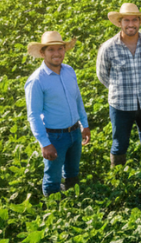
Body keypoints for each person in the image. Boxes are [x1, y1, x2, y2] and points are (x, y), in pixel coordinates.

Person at [24, 31, 91, 196]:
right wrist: (45, 143)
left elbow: (77, 100)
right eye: (51, 50)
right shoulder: (36, 81)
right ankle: (54, 213)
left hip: (74, 132)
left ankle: (72, 203)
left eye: (60, 49)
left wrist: (85, 125)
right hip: (54, 136)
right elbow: (33, 115)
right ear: (42, 53)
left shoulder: (69, 71)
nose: (57, 54)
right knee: (52, 178)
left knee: (72, 173)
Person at [97, 3, 141, 167]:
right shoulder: (108, 47)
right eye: (126, 20)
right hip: (120, 105)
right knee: (119, 144)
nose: (131, 24)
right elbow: (103, 75)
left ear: (140, 22)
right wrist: (118, 90)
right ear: (120, 22)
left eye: (134, 20)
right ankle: (117, 178)